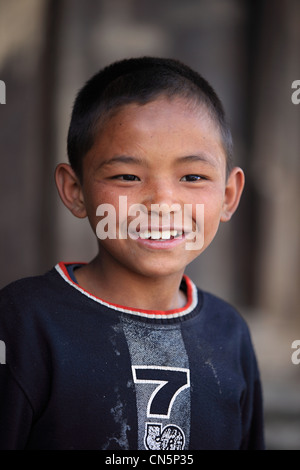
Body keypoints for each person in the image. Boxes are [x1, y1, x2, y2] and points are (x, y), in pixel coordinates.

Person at [0, 57, 265, 450]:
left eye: (192, 177)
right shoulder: (24, 322)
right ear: (75, 191)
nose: (162, 202)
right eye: (127, 176)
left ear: (228, 196)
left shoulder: (229, 333)